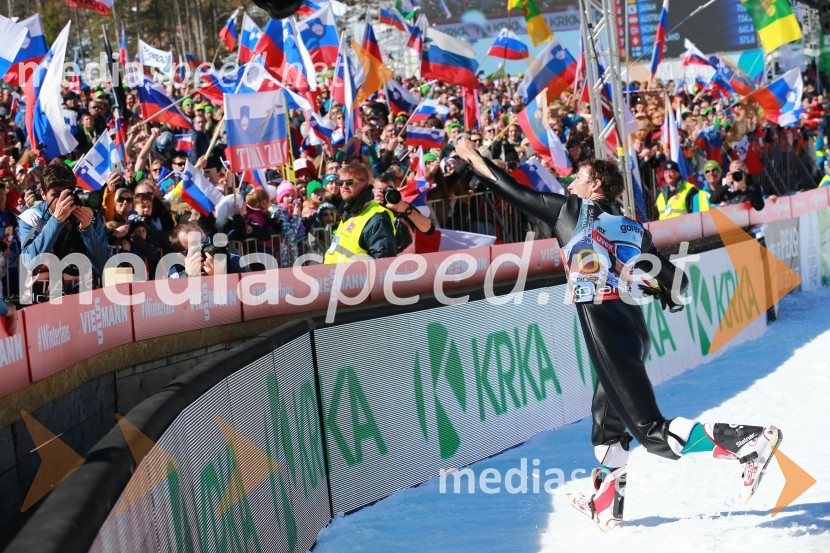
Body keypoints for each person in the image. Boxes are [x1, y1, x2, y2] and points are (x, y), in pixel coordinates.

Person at [455, 136, 782, 532]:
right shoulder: (631, 225)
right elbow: (677, 283)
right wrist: (659, 291)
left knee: (649, 430)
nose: (570, 183)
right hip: (632, 329)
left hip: (606, 330)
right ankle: (606, 507)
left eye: (578, 177)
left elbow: (512, 190)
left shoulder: (570, 211)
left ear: (595, 186)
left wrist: (472, 157)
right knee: (606, 426)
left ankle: (746, 442)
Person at [17, 160, 110, 301]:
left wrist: (87, 229)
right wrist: (56, 220)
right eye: (56, 194)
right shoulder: (31, 218)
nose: (63, 199)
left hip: (86, 296)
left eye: (67, 192)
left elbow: (104, 266)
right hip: (45, 300)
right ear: (43, 194)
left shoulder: (89, 215)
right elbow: (29, 262)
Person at [323, 163, 396, 263]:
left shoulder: (376, 217)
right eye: (340, 182)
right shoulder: (349, 214)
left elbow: (383, 265)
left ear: (365, 183)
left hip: (354, 278)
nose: (344, 186)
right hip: (334, 277)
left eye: (350, 182)